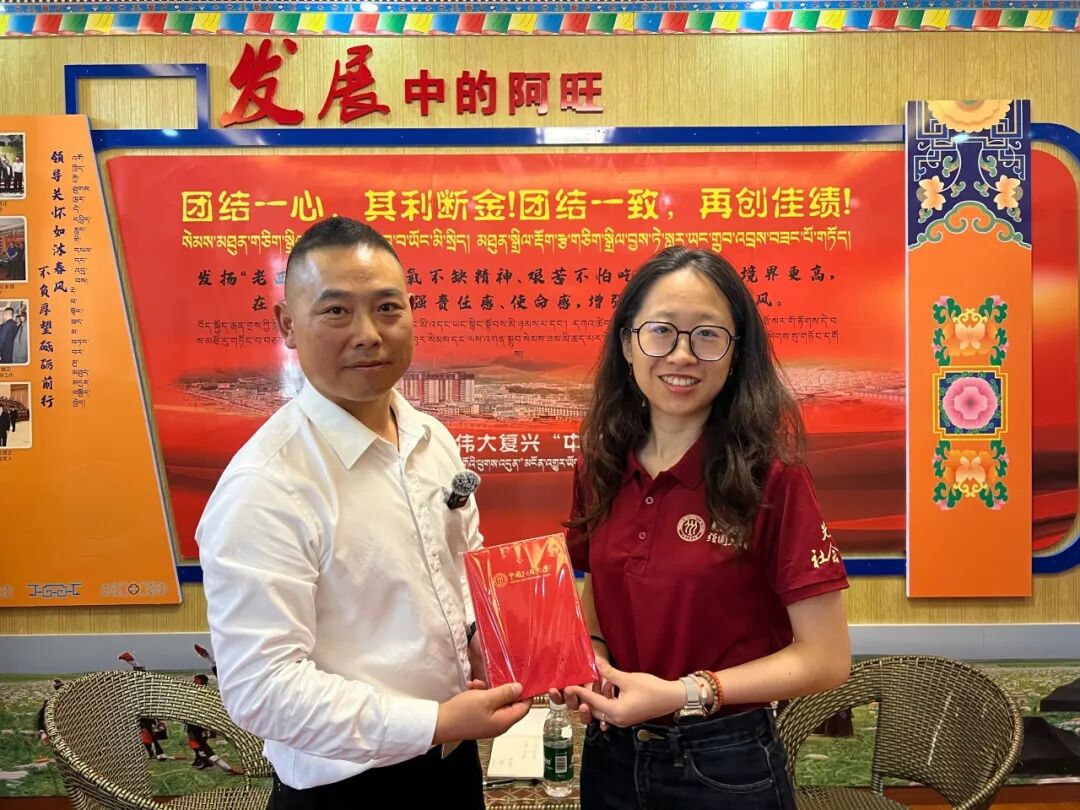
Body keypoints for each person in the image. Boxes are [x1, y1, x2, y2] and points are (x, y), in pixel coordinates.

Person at [197, 216, 529, 809]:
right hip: (346, 787)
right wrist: (434, 722)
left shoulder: (430, 437)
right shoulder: (265, 485)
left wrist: (483, 639)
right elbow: (261, 689)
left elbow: (461, 567)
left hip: (450, 762)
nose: (369, 334)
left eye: (387, 308)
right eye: (336, 311)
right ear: (287, 324)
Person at [556, 246, 851, 809]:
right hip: (612, 754)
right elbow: (600, 592)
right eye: (661, 331)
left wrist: (684, 693)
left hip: (724, 763)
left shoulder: (774, 479)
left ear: (736, 353)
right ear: (627, 343)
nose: (682, 355)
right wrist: (593, 660)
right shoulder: (601, 466)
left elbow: (826, 659)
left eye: (708, 335)